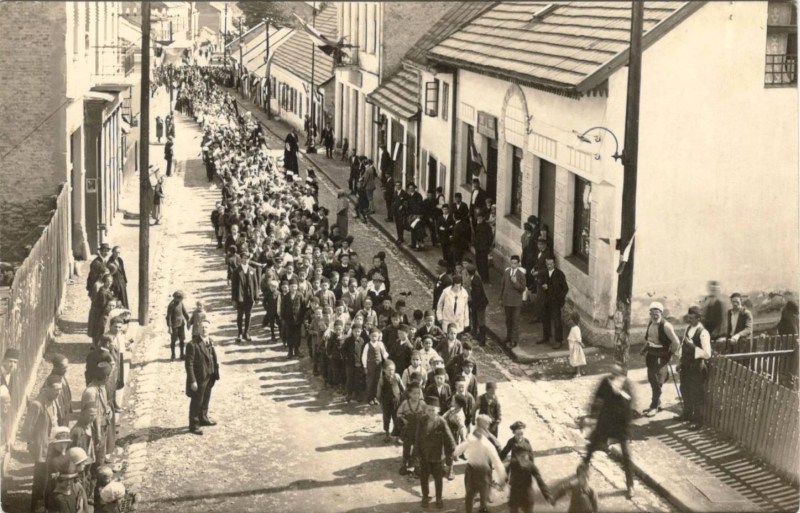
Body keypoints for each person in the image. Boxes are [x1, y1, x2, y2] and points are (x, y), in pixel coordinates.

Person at [583, 363, 634, 499]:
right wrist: (591, 417)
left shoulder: (626, 384)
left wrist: (621, 393)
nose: (613, 376)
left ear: (621, 374)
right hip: (606, 422)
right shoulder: (605, 382)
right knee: (592, 446)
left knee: (626, 455)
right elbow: (596, 399)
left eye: (616, 373)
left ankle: (630, 485)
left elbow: (630, 407)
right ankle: (582, 472)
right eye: (612, 373)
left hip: (621, 424)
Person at [24, 374, 62, 513]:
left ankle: (48, 506)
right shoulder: (37, 404)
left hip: (52, 445)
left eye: (60, 389)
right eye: (56, 389)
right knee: (40, 481)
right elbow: (27, 429)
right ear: (47, 388)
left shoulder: (53, 401)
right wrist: (33, 447)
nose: (58, 392)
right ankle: (36, 507)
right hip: (42, 450)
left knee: (51, 477)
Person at [453, 414, 507, 513]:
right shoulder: (487, 443)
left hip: (471, 470)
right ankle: (482, 509)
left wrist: (454, 453)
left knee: (470, 495)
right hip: (483, 472)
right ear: (485, 427)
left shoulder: (471, 438)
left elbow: (459, 449)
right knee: (483, 495)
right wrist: (502, 477)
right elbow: (496, 460)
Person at [415, 396, 457, 509]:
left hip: (438, 457)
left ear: (438, 410)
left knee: (438, 479)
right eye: (429, 410)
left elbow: (449, 439)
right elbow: (417, 437)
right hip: (424, 456)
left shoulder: (441, 422)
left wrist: (451, 454)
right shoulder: (422, 420)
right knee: (424, 478)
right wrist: (417, 453)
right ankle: (425, 497)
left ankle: (439, 498)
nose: (431, 412)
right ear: (425, 410)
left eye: (433, 410)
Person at [640, 301, 680, 417]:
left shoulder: (666, 326)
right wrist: (644, 349)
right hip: (651, 354)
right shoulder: (651, 323)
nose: (654, 316)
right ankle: (657, 402)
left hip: (661, 355)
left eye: (657, 314)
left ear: (661, 313)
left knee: (657, 380)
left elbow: (676, 342)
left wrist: (669, 354)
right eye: (652, 314)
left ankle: (654, 406)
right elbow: (649, 340)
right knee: (652, 378)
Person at [677, 306, 712, 428]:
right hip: (686, 366)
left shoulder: (703, 333)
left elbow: (707, 354)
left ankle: (698, 421)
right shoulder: (688, 328)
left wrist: (692, 346)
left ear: (698, 318)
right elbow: (682, 346)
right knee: (684, 389)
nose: (689, 320)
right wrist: (680, 362)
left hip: (697, 367)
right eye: (688, 318)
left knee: (696, 393)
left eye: (692, 318)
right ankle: (687, 414)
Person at [185, 320, 216, 435]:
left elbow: (212, 357)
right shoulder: (192, 344)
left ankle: (203, 417)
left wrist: (215, 372)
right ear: (198, 329)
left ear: (210, 329)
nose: (204, 329)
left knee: (206, 398)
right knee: (196, 401)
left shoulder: (210, 341)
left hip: (209, 375)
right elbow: (189, 364)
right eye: (202, 327)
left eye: (206, 327)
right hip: (199, 378)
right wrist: (192, 380)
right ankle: (193, 424)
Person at [540, 256, 569, 349]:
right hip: (546, 300)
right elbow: (540, 283)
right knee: (545, 319)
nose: (549, 266)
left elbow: (565, 288)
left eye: (551, 264)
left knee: (557, 320)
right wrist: (542, 286)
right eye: (547, 264)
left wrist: (559, 298)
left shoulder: (559, 274)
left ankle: (558, 340)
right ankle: (546, 337)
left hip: (555, 301)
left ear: (554, 264)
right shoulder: (544, 273)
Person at [397, 381, 426, 475]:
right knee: (407, 446)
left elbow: (427, 415)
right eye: (414, 393)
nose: (416, 395)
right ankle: (404, 464)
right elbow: (398, 414)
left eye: (418, 393)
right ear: (409, 393)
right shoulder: (405, 403)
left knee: (418, 447)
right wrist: (403, 419)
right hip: (408, 429)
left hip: (419, 429)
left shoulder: (422, 403)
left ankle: (416, 465)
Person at [231, 251, 260, 342]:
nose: (245, 260)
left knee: (248, 315)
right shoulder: (236, 271)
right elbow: (234, 286)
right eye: (244, 258)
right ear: (241, 259)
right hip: (240, 297)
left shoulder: (252, 270)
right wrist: (234, 299)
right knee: (240, 315)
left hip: (249, 297)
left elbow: (256, 284)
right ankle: (240, 333)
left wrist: (256, 297)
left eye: (247, 258)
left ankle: (246, 332)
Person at [500, 255, 526, 348]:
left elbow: (522, 288)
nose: (513, 265)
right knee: (508, 320)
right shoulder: (507, 272)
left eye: (515, 263)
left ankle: (514, 340)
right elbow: (503, 285)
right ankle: (508, 337)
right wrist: (500, 298)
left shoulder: (521, 274)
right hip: (507, 300)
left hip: (516, 302)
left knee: (515, 321)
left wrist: (515, 282)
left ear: (518, 264)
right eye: (512, 263)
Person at [377, 359, 405, 441]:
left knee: (397, 418)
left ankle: (397, 435)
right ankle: (387, 433)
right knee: (386, 418)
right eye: (389, 370)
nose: (391, 372)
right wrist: (381, 402)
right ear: (384, 370)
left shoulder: (397, 377)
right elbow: (378, 393)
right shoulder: (382, 379)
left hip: (396, 401)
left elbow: (403, 388)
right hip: (386, 402)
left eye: (392, 370)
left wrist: (404, 398)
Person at [282, 278, 307, 358]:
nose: (293, 288)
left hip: (297, 320)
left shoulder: (300, 295)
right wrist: (284, 319)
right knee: (289, 335)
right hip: (288, 320)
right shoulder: (286, 297)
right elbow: (283, 308)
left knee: (297, 335)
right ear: (289, 287)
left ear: (297, 287)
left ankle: (297, 350)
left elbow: (303, 307)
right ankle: (290, 351)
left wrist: (302, 318)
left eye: (295, 286)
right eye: (291, 286)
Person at [1, 347, 19, 449]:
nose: (12, 365)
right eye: (10, 361)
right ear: (4, 361)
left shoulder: (11, 376)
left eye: (15, 362)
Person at [467, 264, 488, 346]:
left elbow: (477, 294)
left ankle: (482, 340)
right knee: (476, 319)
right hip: (477, 303)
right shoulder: (475, 278)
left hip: (480, 304)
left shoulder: (475, 281)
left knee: (481, 321)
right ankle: (477, 335)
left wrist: (471, 290)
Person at [166, 291, 191, 360]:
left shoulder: (181, 303)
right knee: (173, 341)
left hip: (181, 324)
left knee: (182, 340)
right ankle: (173, 355)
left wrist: (188, 320)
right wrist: (169, 327)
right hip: (174, 326)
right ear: (176, 298)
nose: (181, 300)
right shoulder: (171, 305)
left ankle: (182, 354)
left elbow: (184, 312)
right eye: (180, 298)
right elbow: (168, 317)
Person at [473, 210, 493, 284]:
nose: (479, 219)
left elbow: (490, 237)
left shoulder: (487, 227)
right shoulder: (478, 225)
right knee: (478, 262)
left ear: (483, 218)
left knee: (483, 263)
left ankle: (485, 278)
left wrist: (486, 246)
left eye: (480, 218)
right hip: (478, 248)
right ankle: (481, 276)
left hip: (483, 248)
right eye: (478, 218)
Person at [567, 312, 586, 377]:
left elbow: (578, 338)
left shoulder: (576, 328)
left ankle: (578, 372)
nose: (570, 321)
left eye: (571, 320)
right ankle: (575, 370)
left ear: (573, 320)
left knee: (577, 358)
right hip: (573, 345)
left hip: (576, 346)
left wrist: (581, 343)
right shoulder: (574, 328)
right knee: (574, 358)